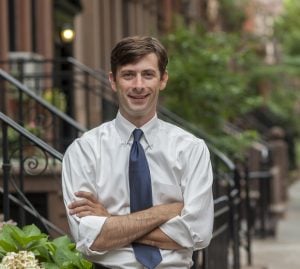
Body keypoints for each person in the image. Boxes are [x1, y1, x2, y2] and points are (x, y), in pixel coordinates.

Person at [62, 36, 214, 269]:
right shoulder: (84, 151)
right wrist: (167, 211)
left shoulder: (191, 150)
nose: (138, 85)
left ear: (163, 80)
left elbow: (198, 233)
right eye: (128, 75)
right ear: (113, 81)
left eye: (148, 74)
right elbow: (89, 238)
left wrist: (111, 221)